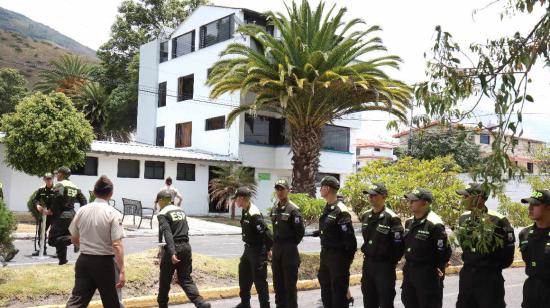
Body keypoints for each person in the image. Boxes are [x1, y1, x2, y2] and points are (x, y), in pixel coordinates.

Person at [66, 175, 125, 308]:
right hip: (105, 263)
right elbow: (116, 244)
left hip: (84, 261)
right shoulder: (113, 213)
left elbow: (74, 238)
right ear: (111, 194)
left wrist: (87, 246)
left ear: (93, 192)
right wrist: (122, 270)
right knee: (112, 301)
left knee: (77, 301)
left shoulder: (81, 210)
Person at [455, 183, 515, 308]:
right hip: (467, 276)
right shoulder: (463, 218)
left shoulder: (498, 220)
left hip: (489, 278)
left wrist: (488, 267)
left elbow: (507, 255)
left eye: (466, 196)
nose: (463, 200)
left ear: (480, 198)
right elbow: (464, 245)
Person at [156, 190, 211, 308]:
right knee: (185, 278)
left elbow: (167, 233)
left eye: (158, 202)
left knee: (165, 279)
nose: (158, 204)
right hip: (186, 247)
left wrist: (171, 252)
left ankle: (162, 305)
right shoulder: (180, 210)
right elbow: (185, 229)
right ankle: (201, 303)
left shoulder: (163, 213)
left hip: (173, 248)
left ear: (161, 201)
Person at [401, 188, 451, 308]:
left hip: (427, 273)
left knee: (428, 303)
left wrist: (439, 268)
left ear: (425, 203)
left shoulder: (435, 223)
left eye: (414, 200)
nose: (410, 203)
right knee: (409, 302)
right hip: (410, 271)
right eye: (409, 200)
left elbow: (443, 251)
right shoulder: (409, 222)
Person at [315, 176, 357, 308]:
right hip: (326, 256)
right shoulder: (328, 207)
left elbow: (350, 240)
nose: (320, 189)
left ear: (327, 188)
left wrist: (346, 260)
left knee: (338, 295)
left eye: (321, 187)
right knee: (326, 293)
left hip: (338, 258)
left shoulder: (341, 210)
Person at [361, 182, 404, 308]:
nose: (371, 197)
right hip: (368, 264)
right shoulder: (366, 215)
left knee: (385, 301)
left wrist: (391, 261)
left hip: (384, 266)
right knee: (368, 300)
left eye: (374, 195)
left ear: (384, 196)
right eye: (369, 195)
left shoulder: (391, 218)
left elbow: (398, 245)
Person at [233, 187, 273, 308]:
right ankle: (245, 303)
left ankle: (265, 306)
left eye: (236, 198)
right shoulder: (245, 210)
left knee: (259, 280)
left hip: (258, 250)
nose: (235, 201)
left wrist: (269, 249)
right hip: (248, 249)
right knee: (244, 275)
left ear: (242, 198)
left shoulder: (253, 214)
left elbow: (266, 233)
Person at [270, 179, 305, 308]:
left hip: (289, 250)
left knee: (289, 286)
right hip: (277, 249)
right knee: (277, 284)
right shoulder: (275, 208)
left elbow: (299, 232)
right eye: (277, 189)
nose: (279, 192)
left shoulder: (293, 209)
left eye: (282, 189)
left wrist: (290, 244)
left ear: (288, 190)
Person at [48, 166, 87, 265]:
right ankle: (62, 261)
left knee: (52, 240)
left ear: (61, 174)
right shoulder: (74, 186)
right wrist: (79, 214)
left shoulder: (60, 184)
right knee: (61, 238)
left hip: (61, 215)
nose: (56, 175)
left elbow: (58, 197)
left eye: (57, 173)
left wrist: (51, 210)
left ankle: (75, 240)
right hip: (72, 215)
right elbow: (84, 201)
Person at [518, 189, 550, 308]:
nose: (530, 208)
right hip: (531, 291)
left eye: (535, 205)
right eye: (529, 204)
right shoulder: (524, 234)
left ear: (548, 207)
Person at [32, 173, 55, 256]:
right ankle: (42, 249)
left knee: (56, 232)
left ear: (53, 179)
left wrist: (52, 209)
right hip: (45, 214)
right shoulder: (41, 190)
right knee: (41, 231)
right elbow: (35, 200)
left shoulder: (57, 189)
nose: (48, 180)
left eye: (50, 179)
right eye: (47, 179)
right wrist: (37, 205)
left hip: (55, 214)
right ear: (44, 180)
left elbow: (60, 201)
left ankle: (59, 251)